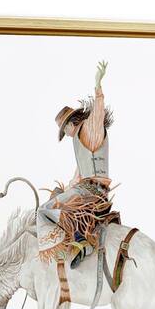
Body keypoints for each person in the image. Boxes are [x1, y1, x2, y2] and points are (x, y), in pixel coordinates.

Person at [37, 61, 114, 268]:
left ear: (71, 123)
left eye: (65, 130)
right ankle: (79, 238)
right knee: (56, 197)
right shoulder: (81, 140)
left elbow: (98, 114)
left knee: (43, 210)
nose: (67, 134)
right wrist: (64, 190)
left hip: (89, 191)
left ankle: (76, 243)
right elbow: (78, 175)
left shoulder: (88, 129)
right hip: (88, 189)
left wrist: (98, 85)